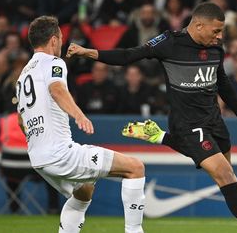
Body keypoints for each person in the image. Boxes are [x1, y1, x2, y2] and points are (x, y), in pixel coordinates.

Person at [67, 2, 237, 233]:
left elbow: (222, 82)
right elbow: (128, 55)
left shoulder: (215, 47)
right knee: (226, 177)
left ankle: (160, 137)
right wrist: (87, 52)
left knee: (230, 181)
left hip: (214, 121)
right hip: (188, 124)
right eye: (216, 30)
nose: (220, 35)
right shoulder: (169, 42)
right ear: (199, 25)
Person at [17, 16, 145, 233]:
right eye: (61, 37)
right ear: (54, 40)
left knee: (84, 191)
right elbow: (57, 89)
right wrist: (79, 115)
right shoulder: (54, 63)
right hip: (59, 153)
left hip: (38, 157)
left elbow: (22, 120)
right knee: (135, 168)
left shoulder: (23, 75)